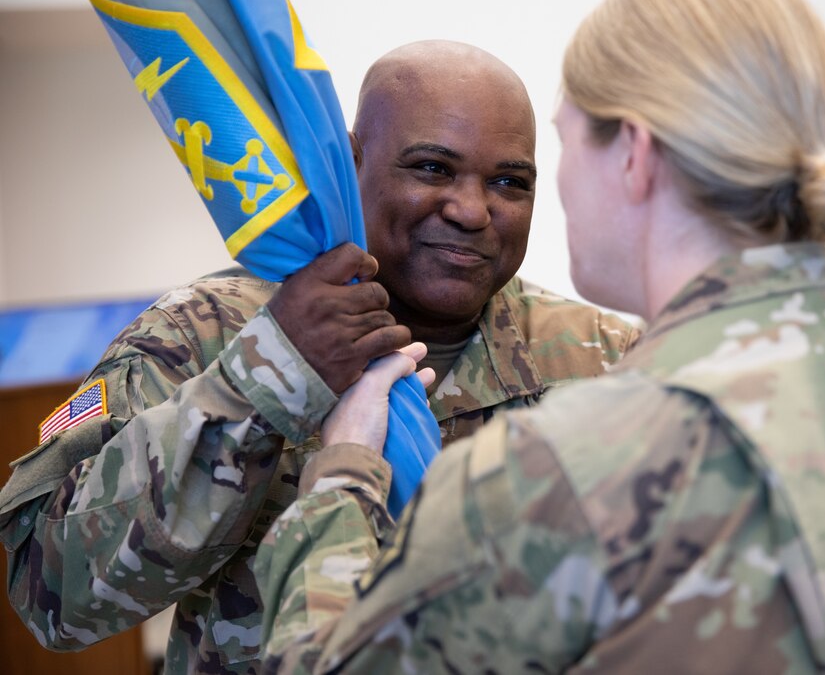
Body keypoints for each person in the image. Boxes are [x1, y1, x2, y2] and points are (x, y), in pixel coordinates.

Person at [255, 0, 825, 674]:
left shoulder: (569, 463)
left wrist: (346, 473)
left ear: (636, 154)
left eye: (560, 147)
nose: (490, 206)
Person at [0, 41, 638, 675]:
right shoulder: (200, 334)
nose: (472, 210)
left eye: (508, 182)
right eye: (432, 169)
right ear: (349, 164)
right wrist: (266, 378)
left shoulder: (607, 359)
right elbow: (50, 596)